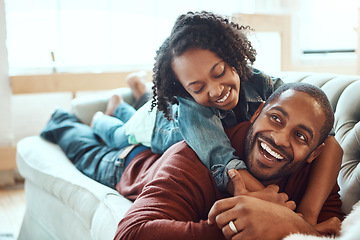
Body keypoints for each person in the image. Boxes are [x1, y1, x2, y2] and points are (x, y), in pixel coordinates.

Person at [91, 11, 343, 226]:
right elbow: (228, 168)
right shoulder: (193, 112)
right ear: (185, 91)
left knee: (137, 111)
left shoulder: (264, 84)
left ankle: (136, 92)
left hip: (160, 111)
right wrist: (290, 220)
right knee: (118, 134)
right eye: (198, 88)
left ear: (233, 59)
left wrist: (307, 218)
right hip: (157, 128)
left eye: (219, 72)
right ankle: (103, 115)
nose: (215, 91)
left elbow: (328, 141)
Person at [40, 82, 344, 240]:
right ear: (257, 112)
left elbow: (327, 227)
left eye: (301, 137)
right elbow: (130, 233)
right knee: (82, 144)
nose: (279, 139)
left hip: (155, 148)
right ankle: (66, 118)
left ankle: (122, 107)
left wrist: (291, 224)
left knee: (133, 126)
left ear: (314, 153)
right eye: (276, 118)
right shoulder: (195, 157)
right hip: (129, 165)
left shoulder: (311, 173)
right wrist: (246, 226)